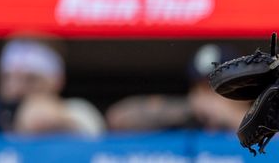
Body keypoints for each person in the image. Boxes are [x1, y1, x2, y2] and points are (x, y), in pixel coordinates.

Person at [107, 44, 250, 132]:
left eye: (219, 86)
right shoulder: (188, 120)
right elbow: (117, 118)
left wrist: (228, 116)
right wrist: (188, 107)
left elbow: (270, 142)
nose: (207, 96)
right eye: (200, 88)